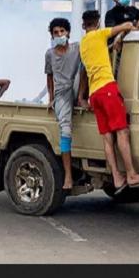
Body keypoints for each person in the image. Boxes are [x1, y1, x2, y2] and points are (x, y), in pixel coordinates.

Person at [79, 9, 139, 192]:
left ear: (83, 26)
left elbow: (89, 66)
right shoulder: (101, 34)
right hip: (108, 90)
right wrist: (121, 32)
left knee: (107, 139)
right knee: (122, 133)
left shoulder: (83, 44)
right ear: (97, 24)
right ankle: (131, 174)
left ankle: (117, 177)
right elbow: (128, 25)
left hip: (95, 94)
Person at [44, 17, 87, 192]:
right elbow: (49, 76)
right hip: (61, 94)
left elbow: (84, 71)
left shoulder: (77, 48)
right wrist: (51, 98)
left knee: (84, 67)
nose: (60, 35)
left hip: (77, 87)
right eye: (56, 32)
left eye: (62, 31)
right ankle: (68, 175)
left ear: (68, 32)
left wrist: (82, 95)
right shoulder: (50, 54)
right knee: (66, 131)